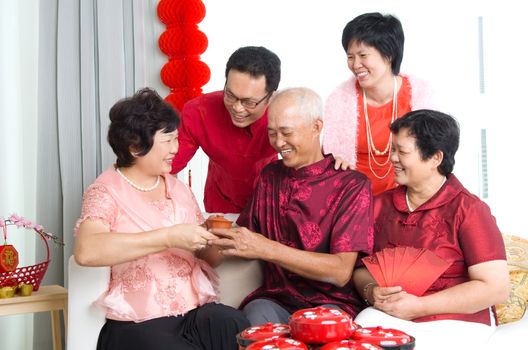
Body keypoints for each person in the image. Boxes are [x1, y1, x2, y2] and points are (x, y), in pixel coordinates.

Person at [74, 88, 249, 350]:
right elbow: (87, 251)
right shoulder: (106, 191)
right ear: (135, 146)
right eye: (167, 141)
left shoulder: (178, 188)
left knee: (233, 323)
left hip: (192, 313)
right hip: (139, 322)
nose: (176, 149)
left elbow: (205, 257)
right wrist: (168, 237)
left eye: (177, 139)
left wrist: (217, 240)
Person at [209, 87, 374, 326]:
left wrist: (267, 249)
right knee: (252, 322)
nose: (278, 143)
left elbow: (340, 272)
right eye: (272, 133)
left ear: (316, 127)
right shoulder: (270, 176)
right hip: (274, 301)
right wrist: (208, 233)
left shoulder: (351, 185)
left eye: (286, 132)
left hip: (332, 303)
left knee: (321, 328)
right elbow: (242, 237)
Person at [353, 109, 510, 349]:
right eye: (392, 149)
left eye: (402, 151)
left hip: (457, 322)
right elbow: (359, 269)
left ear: (436, 158)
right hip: (389, 318)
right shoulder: (379, 205)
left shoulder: (469, 209)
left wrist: (420, 307)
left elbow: (495, 288)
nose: (392, 158)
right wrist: (372, 291)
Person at [323, 12, 435, 195]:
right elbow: (328, 158)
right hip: (353, 202)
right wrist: (333, 163)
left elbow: (432, 158)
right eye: (350, 57)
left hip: (408, 202)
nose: (355, 64)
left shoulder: (420, 98)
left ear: (389, 54)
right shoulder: (339, 102)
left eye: (363, 55)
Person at [171, 46, 281, 214]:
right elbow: (168, 163)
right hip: (220, 205)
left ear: (271, 97)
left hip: (270, 204)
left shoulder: (284, 114)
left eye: (249, 102)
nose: (237, 108)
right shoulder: (199, 111)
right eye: (230, 95)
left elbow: (306, 165)